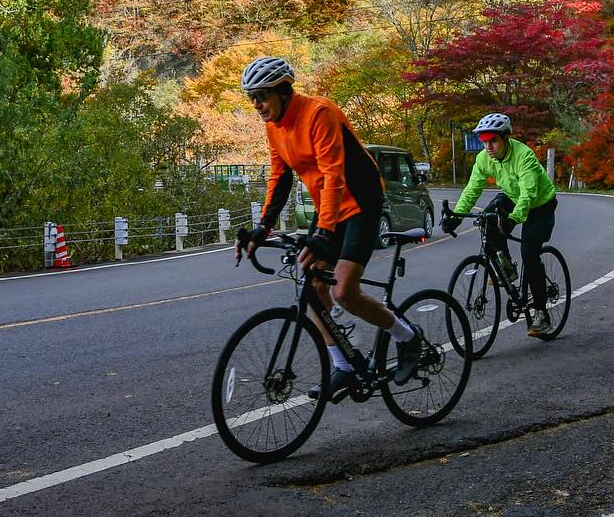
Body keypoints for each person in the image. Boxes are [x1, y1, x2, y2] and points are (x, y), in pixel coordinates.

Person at [235, 57, 426, 397]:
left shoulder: (318, 112)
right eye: (252, 98)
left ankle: (407, 337)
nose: (257, 105)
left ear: (282, 90)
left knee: (343, 291)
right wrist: (262, 227)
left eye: (262, 95)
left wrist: (323, 234)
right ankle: (344, 366)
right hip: (330, 208)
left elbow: (333, 174)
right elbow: (280, 178)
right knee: (314, 289)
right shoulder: (274, 126)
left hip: (361, 203)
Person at [441, 113, 558, 337]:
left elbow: (528, 193)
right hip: (512, 197)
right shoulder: (484, 158)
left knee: (529, 252)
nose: (488, 146)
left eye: (493, 141)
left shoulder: (524, 156)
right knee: (487, 220)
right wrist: (456, 216)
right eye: (484, 142)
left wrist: (514, 218)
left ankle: (542, 314)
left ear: (505, 138)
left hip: (539, 205)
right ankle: (507, 270)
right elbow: (472, 189)